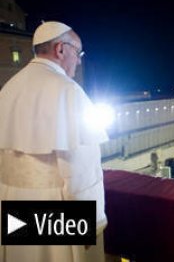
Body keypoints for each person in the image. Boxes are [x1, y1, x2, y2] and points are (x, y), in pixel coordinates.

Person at [0, 21, 108, 262]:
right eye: (77, 53)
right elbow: (82, 171)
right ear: (60, 49)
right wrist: (93, 223)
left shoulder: (8, 88)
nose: (79, 61)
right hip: (55, 212)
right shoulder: (68, 91)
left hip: (11, 206)